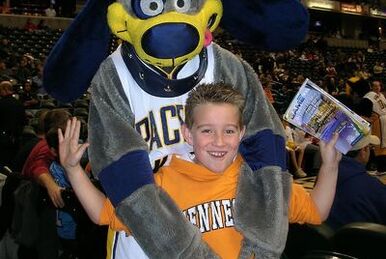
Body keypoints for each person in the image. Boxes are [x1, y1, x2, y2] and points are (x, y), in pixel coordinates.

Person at [59, 84, 341, 258]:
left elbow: (317, 210)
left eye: (228, 131)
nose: (219, 142)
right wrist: (73, 170)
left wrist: (330, 165)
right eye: (207, 131)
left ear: (241, 133)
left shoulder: (260, 182)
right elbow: (103, 214)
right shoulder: (164, 183)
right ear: (188, 134)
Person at [326, 134, 386, 230]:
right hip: (367, 242)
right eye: (370, 147)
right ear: (363, 151)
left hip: (329, 241)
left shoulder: (322, 180)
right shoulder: (373, 187)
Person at [0, 80, 26, 167]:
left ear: (4, 90)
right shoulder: (19, 103)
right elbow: (24, 121)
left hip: (3, 139)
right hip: (17, 138)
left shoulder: (1, 104)